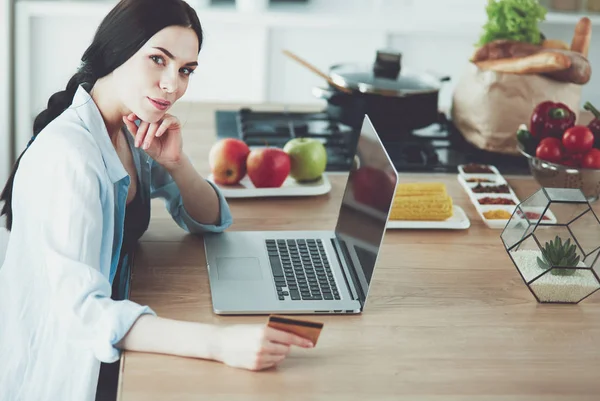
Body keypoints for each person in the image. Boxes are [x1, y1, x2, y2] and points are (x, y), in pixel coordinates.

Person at [0, 0, 313, 399]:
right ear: (116, 52)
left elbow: (212, 220)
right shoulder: (71, 158)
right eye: (157, 60)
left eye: (185, 70)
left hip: (119, 324)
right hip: (67, 371)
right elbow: (81, 314)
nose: (173, 84)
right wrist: (220, 344)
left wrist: (178, 165)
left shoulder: (130, 127)